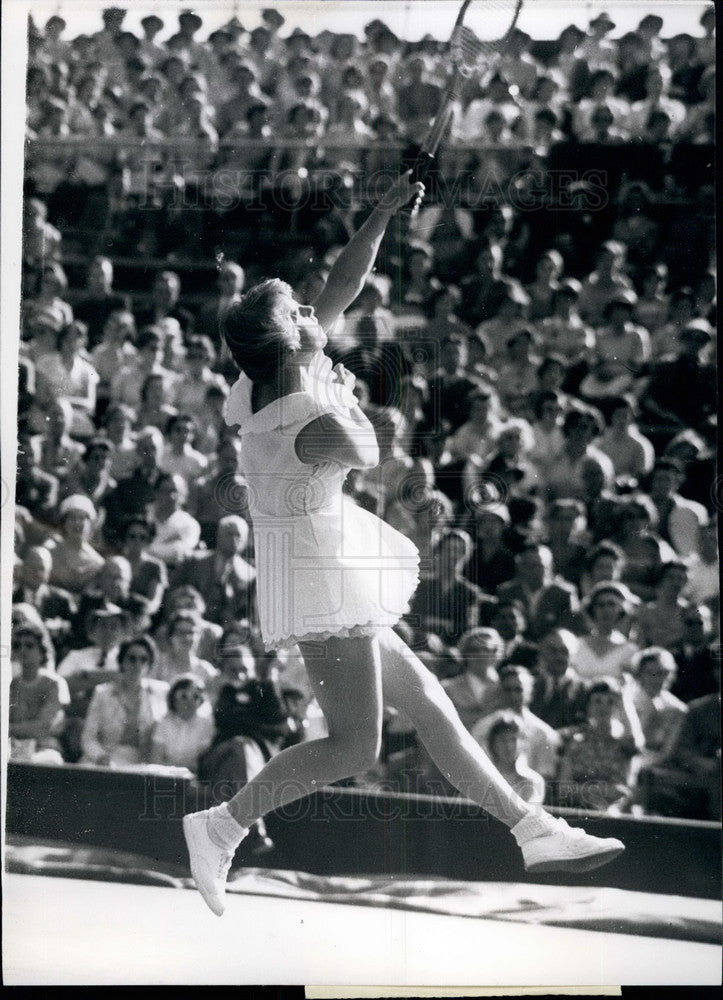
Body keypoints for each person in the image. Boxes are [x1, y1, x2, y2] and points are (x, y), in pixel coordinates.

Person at [181, 171, 624, 917]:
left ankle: (532, 829)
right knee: (355, 747)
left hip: (319, 553)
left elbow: (343, 287)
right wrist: (346, 387)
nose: (310, 301)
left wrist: (382, 212)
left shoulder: (269, 372)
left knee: (427, 704)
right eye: (297, 307)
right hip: (316, 571)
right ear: (291, 338)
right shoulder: (306, 415)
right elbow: (367, 442)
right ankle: (220, 824)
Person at [149, 674, 215, 772]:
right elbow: (156, 760)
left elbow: (202, 765)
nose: (190, 701)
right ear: (173, 698)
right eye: (184, 696)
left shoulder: (206, 725)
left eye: (195, 696)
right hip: (164, 776)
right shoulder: (163, 723)